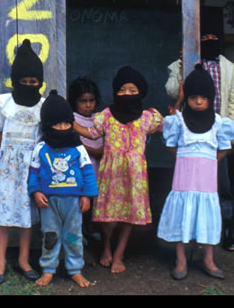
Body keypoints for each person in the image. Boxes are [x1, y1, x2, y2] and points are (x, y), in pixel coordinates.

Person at [165, 7, 234, 251]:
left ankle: (225, 228)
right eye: (204, 38)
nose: (209, 42)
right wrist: (181, 64)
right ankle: (189, 232)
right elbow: (170, 91)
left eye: (213, 38)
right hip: (190, 136)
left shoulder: (229, 68)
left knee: (222, 186)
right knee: (189, 188)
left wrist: (230, 139)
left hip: (216, 138)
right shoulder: (187, 63)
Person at [74, 66, 163, 273]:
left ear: (141, 92)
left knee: (128, 215)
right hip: (111, 172)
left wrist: (179, 105)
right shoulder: (106, 115)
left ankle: (119, 254)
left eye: (133, 90)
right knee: (109, 215)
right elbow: (92, 133)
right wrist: (68, 124)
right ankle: (106, 246)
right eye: (123, 90)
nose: (127, 94)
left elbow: (171, 126)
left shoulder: (149, 117)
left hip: (135, 175)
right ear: (115, 92)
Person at [158, 64, 234, 280]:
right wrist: (186, 157)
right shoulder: (179, 122)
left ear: (211, 98)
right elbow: (172, 146)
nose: (198, 102)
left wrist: (207, 161)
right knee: (182, 217)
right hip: (183, 184)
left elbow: (224, 148)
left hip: (206, 185)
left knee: (207, 219)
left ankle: (208, 259)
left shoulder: (219, 123)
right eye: (193, 97)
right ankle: (181, 259)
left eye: (203, 97)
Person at [0, 39, 46, 285]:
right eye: (24, 82)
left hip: (32, 167)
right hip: (8, 166)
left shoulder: (43, 107)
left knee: (26, 214)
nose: (29, 86)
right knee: (4, 213)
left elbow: (43, 137)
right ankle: (0, 261)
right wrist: (9, 151)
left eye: (34, 82)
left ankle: (23, 258)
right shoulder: (3, 105)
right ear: (16, 80)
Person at [29, 90, 98, 288]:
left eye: (67, 123)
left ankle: (75, 269)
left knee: (73, 236)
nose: (62, 128)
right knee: (50, 236)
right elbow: (33, 172)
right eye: (57, 124)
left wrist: (87, 195)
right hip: (49, 203)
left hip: (73, 203)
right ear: (47, 125)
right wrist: (36, 191)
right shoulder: (41, 148)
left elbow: (88, 172)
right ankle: (48, 269)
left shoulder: (78, 148)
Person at [68, 77, 103, 241]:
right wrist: (92, 151)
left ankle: (90, 228)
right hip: (81, 168)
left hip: (99, 167)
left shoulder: (100, 118)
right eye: (83, 101)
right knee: (80, 201)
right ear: (75, 101)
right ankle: (79, 231)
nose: (88, 105)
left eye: (91, 100)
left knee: (94, 200)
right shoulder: (72, 119)